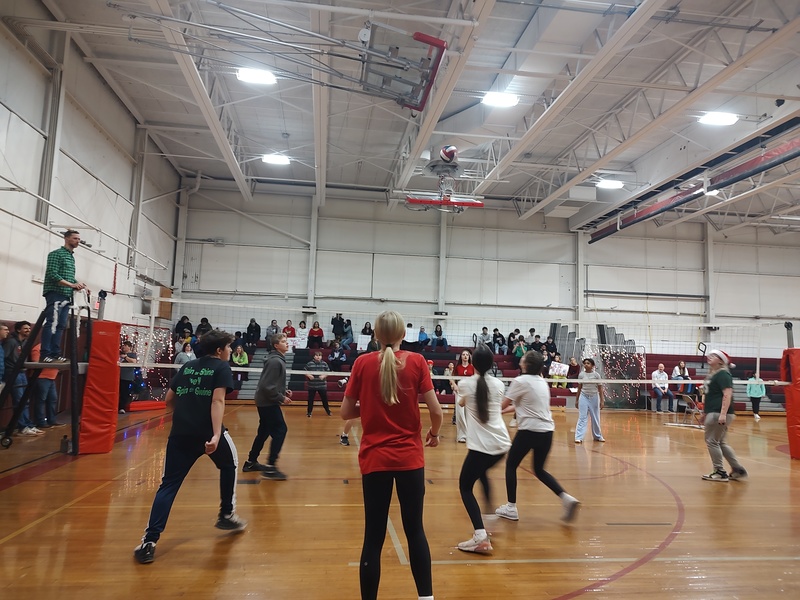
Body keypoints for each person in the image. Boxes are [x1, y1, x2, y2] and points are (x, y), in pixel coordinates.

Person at [340, 310, 443, 600]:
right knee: (415, 531)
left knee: (373, 537)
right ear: (403, 335)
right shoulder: (418, 361)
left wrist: (372, 407)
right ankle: (426, 598)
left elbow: (346, 412)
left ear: (375, 334)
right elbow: (437, 412)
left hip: (374, 460)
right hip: (410, 458)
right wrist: (434, 435)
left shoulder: (362, 363)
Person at [132, 330, 246, 565]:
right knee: (230, 464)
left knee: (169, 485)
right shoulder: (221, 367)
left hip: (180, 433)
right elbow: (217, 400)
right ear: (219, 350)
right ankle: (226, 514)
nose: (229, 352)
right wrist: (215, 435)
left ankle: (149, 542)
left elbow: (168, 401)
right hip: (207, 433)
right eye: (227, 348)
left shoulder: (188, 366)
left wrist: (185, 415)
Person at [496, 350, 580, 523]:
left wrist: (491, 412)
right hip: (547, 431)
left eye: (524, 358)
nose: (521, 359)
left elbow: (504, 404)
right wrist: (505, 410)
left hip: (529, 431)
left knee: (511, 464)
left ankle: (511, 507)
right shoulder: (541, 381)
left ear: (526, 364)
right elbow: (523, 404)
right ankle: (566, 497)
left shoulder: (520, 381)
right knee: (539, 470)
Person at [455, 345, 511, 554]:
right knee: (482, 473)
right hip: (501, 445)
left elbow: (462, 402)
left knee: (465, 486)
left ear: (474, 364)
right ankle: (489, 519)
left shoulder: (465, 384)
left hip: (482, 448)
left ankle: (481, 537)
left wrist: (459, 392)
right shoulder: (498, 384)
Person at [243, 333, 292, 480]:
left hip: (265, 400)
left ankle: (251, 461)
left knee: (264, 431)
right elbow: (266, 386)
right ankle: (270, 467)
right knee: (280, 429)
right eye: (284, 341)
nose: (287, 343)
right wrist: (281, 398)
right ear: (276, 345)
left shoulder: (276, 359)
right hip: (267, 402)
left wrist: (283, 391)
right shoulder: (275, 361)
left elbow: (271, 384)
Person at [41, 230, 88, 362]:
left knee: (61, 325)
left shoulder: (71, 257)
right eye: (75, 238)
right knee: (53, 322)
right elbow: (53, 274)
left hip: (66, 295)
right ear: (66, 238)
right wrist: (72, 285)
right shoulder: (56, 254)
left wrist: (80, 285)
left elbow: (69, 277)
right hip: (56, 293)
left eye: (79, 239)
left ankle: (55, 353)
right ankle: (45, 353)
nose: (78, 241)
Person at [701, 350, 747, 482]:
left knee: (712, 441)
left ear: (721, 361)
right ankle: (737, 469)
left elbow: (727, 394)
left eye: (714, 356)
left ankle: (720, 471)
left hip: (718, 413)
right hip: (713, 412)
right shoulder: (714, 374)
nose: (710, 357)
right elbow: (712, 395)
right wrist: (705, 412)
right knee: (720, 442)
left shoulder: (723, 374)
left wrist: (722, 414)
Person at [4, 321, 41, 435]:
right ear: (18, 330)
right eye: (25, 328)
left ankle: (27, 425)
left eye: (29, 328)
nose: (28, 330)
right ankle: (22, 427)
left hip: (22, 373)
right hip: (13, 373)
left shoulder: (25, 342)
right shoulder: (11, 342)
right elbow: (4, 357)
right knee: (19, 401)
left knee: (25, 400)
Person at [30, 344, 66, 429]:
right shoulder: (38, 349)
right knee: (41, 400)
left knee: (53, 399)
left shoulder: (53, 348)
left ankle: (52, 420)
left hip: (51, 378)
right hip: (42, 377)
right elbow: (36, 363)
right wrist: (55, 363)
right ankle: (41, 422)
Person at [574, 358, 605, 444]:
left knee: (595, 417)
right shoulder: (581, 375)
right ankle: (579, 437)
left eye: (588, 363)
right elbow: (579, 388)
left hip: (594, 397)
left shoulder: (596, 375)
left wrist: (602, 401)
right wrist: (577, 400)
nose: (586, 365)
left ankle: (598, 436)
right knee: (582, 417)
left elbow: (600, 389)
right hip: (583, 396)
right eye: (585, 363)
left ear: (592, 365)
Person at [451, 349, 475, 442]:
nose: (465, 356)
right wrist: (454, 385)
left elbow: (476, 379)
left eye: (467, 355)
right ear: (461, 356)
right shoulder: (458, 367)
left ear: (469, 357)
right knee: (460, 413)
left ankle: (469, 434)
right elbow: (451, 378)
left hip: (469, 392)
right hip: (459, 392)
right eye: (463, 354)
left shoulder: (472, 367)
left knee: (468, 413)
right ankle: (462, 436)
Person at [305, 350, 331, 417]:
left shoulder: (324, 364)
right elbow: (304, 371)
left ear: (321, 357)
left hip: (322, 385)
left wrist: (324, 376)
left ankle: (328, 411)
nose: (318, 357)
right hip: (312, 385)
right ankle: (309, 412)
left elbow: (328, 372)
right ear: (314, 356)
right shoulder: (309, 363)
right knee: (310, 399)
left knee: (324, 399)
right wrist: (308, 375)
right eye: (316, 355)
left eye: (319, 355)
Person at [119, 341, 138, 414]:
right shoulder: (120, 354)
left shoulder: (132, 355)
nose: (123, 347)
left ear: (129, 347)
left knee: (124, 392)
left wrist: (126, 357)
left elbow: (134, 362)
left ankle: (122, 407)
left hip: (127, 377)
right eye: (123, 345)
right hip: (119, 376)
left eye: (125, 345)